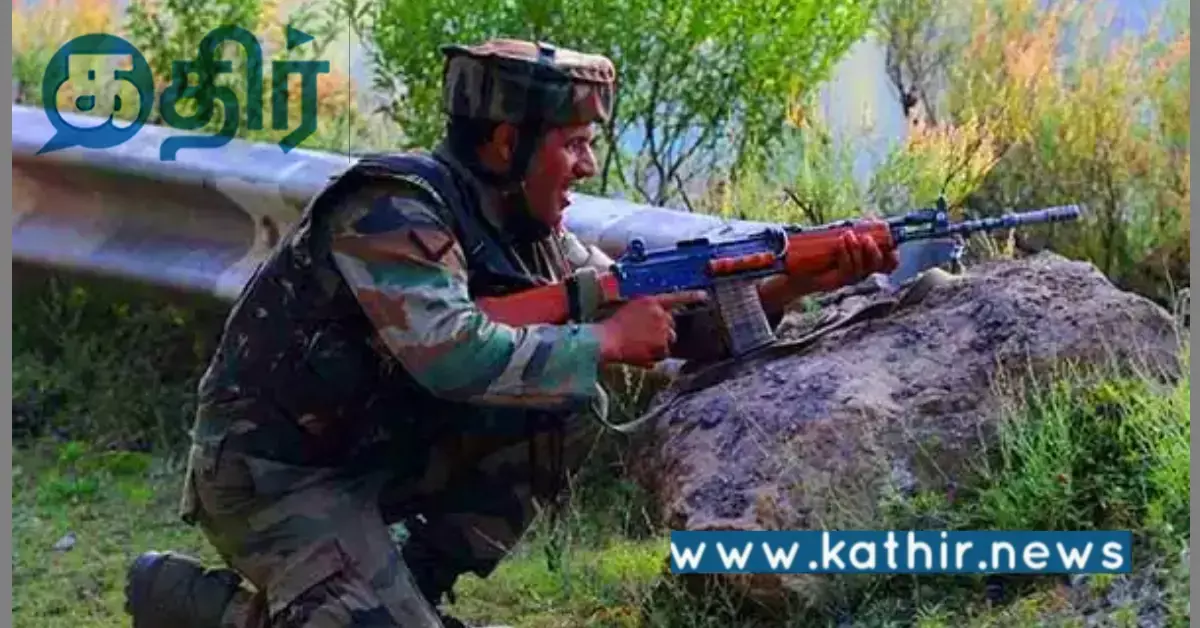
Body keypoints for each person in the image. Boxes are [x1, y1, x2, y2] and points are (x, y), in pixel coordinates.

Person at [123, 38, 897, 628]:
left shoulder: (531, 234)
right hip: (276, 471)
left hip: (375, 449)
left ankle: (408, 593)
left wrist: (797, 278)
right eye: (573, 143)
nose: (587, 165)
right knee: (568, 368)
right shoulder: (391, 209)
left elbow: (677, 330)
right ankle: (207, 608)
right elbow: (453, 356)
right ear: (504, 142)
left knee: (562, 401)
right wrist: (604, 341)